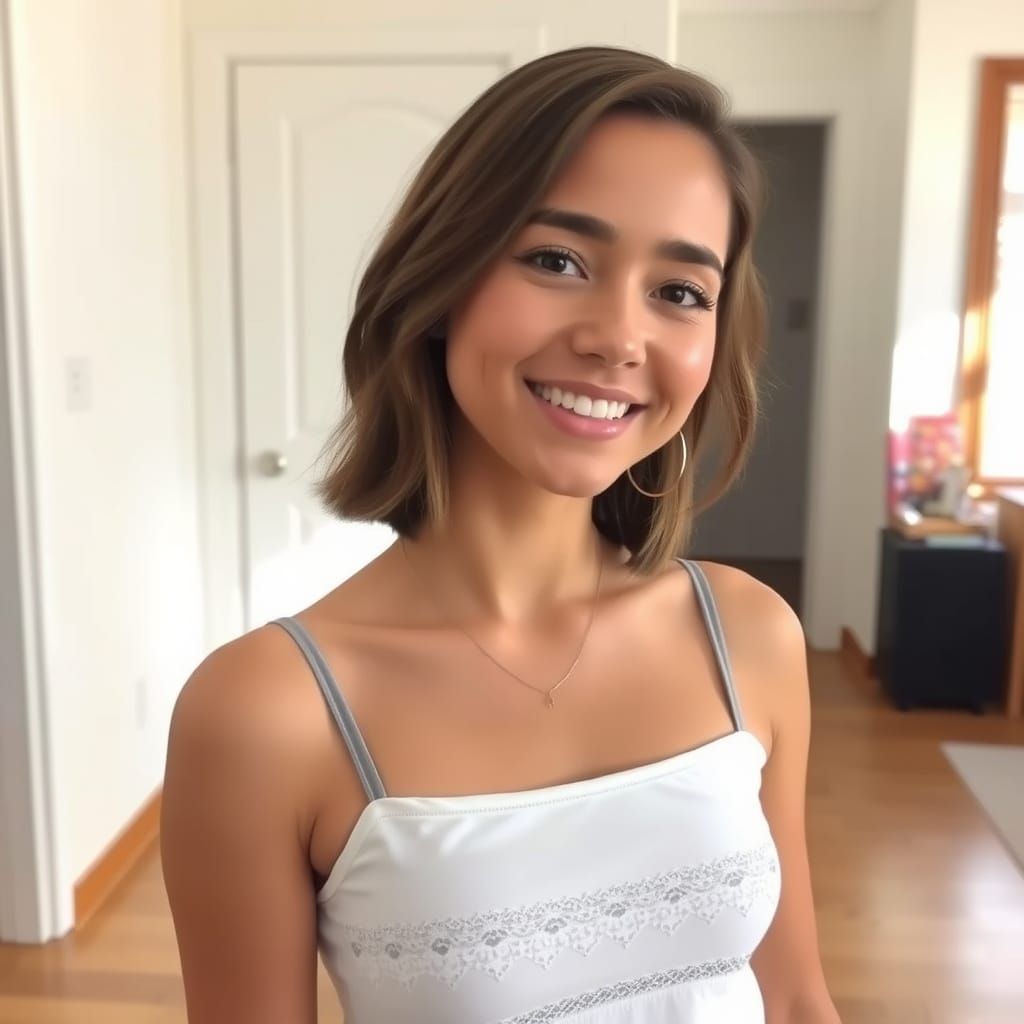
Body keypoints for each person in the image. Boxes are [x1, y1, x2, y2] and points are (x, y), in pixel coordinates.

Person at [161, 45, 842, 1024]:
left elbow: (795, 996)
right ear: (442, 277)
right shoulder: (268, 712)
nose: (619, 336)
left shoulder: (748, 634)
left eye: (680, 291)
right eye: (556, 260)